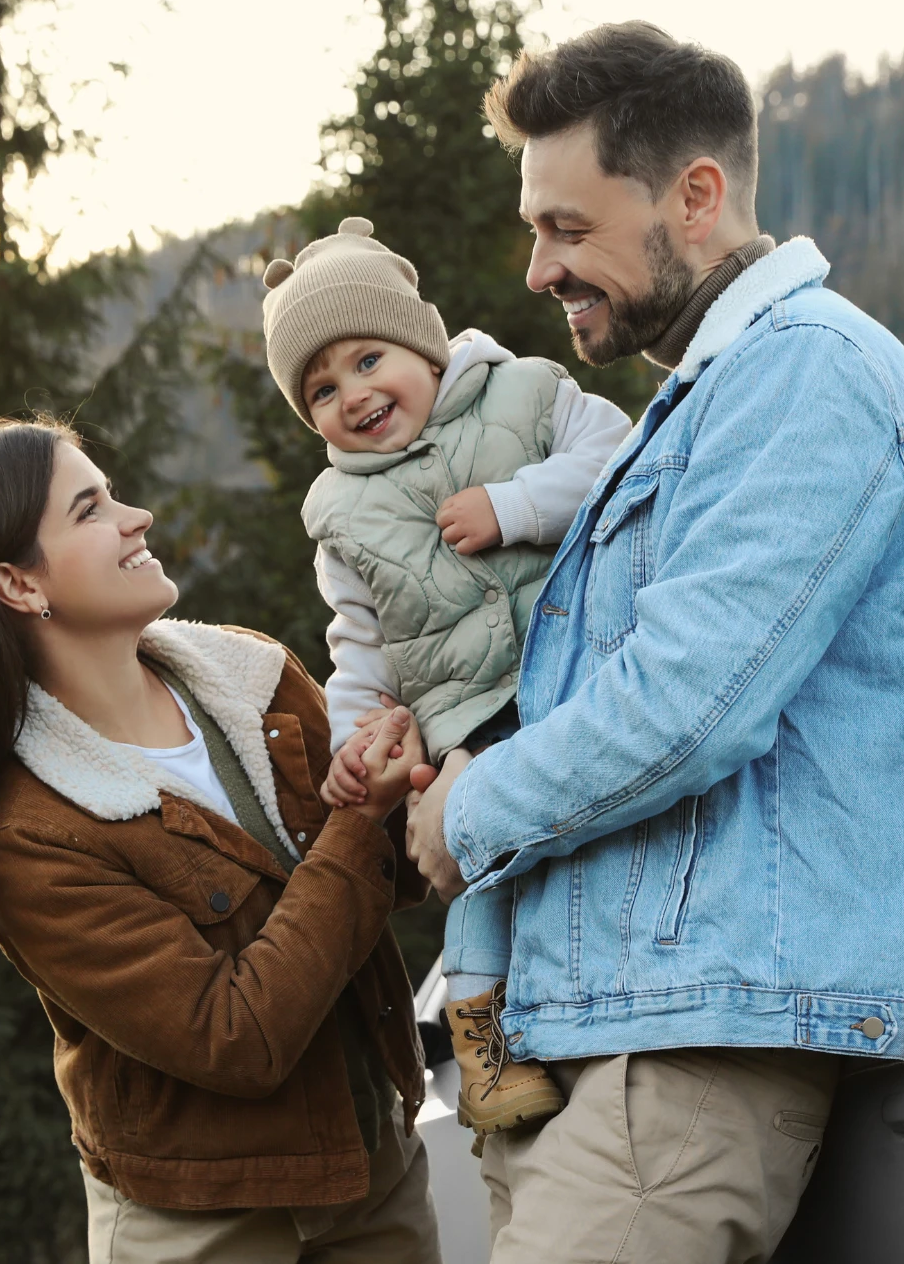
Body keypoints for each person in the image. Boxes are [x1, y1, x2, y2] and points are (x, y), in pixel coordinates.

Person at [402, 22, 904, 1263]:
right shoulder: (705, 398)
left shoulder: (813, 375)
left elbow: (689, 703)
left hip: (683, 1044)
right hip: (593, 1030)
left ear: (694, 197)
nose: (537, 269)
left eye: (566, 226)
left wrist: (470, 810)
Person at [0, 418, 445, 1264]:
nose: (135, 516)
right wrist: (358, 819)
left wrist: (403, 782)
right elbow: (238, 1036)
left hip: (376, 1168)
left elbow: (394, 879)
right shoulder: (28, 832)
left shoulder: (252, 675)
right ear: (17, 583)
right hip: (207, 1223)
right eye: (90, 509)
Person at [255, 216, 630, 1141]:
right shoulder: (340, 513)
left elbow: (623, 462)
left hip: (580, 668)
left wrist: (515, 506)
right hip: (464, 713)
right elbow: (360, 647)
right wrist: (359, 745)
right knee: (477, 867)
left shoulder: (528, 392)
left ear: (422, 341)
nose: (354, 393)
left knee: (591, 837)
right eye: (322, 389)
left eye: (368, 356)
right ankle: (487, 1047)